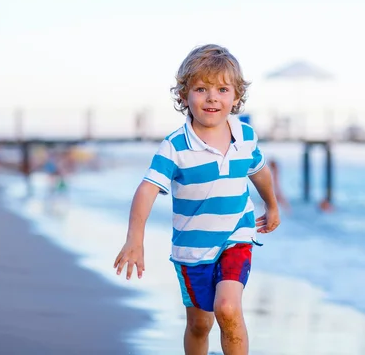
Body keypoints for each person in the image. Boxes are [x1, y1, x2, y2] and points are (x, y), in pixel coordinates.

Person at [113, 44, 280, 355]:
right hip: (192, 249)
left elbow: (259, 172)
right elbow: (147, 189)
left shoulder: (245, 136)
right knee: (199, 324)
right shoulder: (175, 146)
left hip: (237, 235)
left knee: (228, 308)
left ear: (236, 96)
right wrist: (135, 238)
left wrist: (271, 205)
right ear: (184, 96)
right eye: (201, 89)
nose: (212, 97)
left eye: (222, 89)